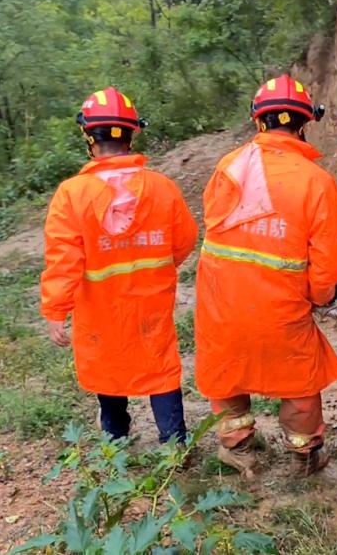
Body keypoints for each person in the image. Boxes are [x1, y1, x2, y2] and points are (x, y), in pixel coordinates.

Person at [194, 75, 337, 477]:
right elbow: (327, 261)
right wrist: (319, 295)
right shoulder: (316, 182)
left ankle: (239, 450)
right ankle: (305, 455)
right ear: (304, 124)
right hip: (281, 306)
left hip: (221, 301)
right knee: (298, 378)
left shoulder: (228, 167)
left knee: (228, 372)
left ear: (258, 121)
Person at [41, 87, 197, 445]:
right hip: (151, 303)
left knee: (106, 365)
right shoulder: (162, 188)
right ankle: (175, 444)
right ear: (131, 134)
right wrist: (156, 266)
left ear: (88, 137)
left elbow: (63, 256)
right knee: (160, 365)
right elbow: (185, 239)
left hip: (99, 307)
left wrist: (55, 309)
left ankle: (116, 441)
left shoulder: (71, 194)